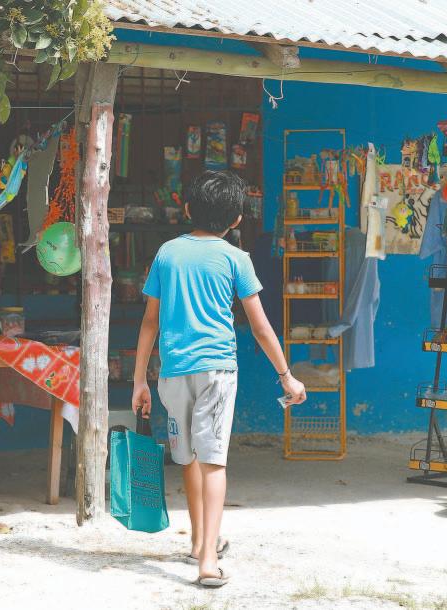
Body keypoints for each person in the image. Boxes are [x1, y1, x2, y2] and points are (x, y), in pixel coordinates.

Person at [132, 170, 306, 588]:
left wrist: (139, 381)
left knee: (189, 458)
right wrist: (286, 376)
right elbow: (260, 327)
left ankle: (198, 542)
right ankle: (208, 560)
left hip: (173, 373)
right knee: (214, 462)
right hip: (216, 371)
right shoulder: (236, 259)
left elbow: (150, 321)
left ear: (187, 208)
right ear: (237, 219)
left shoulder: (167, 253)